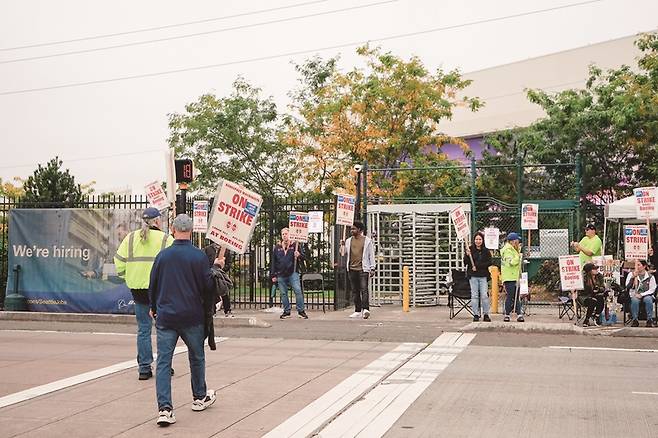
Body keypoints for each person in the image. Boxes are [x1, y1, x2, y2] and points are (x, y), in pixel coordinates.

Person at [148, 214, 217, 427]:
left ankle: (165, 409)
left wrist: (153, 307)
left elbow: (153, 285)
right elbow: (207, 288)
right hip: (192, 315)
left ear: (173, 230)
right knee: (196, 357)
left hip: (167, 316)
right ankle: (199, 396)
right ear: (191, 231)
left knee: (163, 363)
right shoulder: (199, 257)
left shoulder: (163, 256)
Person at [114, 207, 173, 380]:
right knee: (164, 328)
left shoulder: (130, 238)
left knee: (143, 329)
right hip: (160, 290)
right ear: (157, 221)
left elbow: (118, 262)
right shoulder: (165, 239)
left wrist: (128, 276)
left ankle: (144, 368)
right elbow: (172, 263)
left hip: (138, 290)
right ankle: (164, 366)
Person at [270, 228, 308, 320]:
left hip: (293, 272)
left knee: (298, 290)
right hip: (281, 273)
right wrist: (273, 275)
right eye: (283, 234)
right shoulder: (277, 247)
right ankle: (287, 311)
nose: (284, 235)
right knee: (283, 293)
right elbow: (273, 262)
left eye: (286, 234)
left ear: (290, 235)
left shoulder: (295, 245)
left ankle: (301, 311)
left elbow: (304, 257)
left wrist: (299, 255)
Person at [345, 221, 376, 320]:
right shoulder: (348, 241)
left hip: (363, 268)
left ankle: (366, 309)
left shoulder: (367, 241)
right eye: (351, 229)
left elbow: (371, 255)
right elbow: (343, 253)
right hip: (351, 268)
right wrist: (342, 245)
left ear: (359, 230)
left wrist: (372, 267)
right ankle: (357, 310)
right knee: (355, 290)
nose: (352, 230)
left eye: (354, 229)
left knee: (364, 289)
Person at [464, 232, 492, 322]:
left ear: (482, 240)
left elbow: (489, 262)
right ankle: (475, 314)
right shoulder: (470, 249)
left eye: (480, 239)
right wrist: (467, 255)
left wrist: (478, 266)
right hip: (473, 276)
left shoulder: (486, 251)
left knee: (484, 295)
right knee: (474, 295)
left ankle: (486, 314)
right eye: (476, 239)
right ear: (474, 240)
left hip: (483, 276)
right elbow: (465, 262)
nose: (478, 241)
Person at [203, 241, 234, 317]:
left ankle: (227, 310)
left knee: (224, 291)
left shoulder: (225, 250)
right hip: (211, 273)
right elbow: (204, 261)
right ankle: (212, 311)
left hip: (221, 274)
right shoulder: (207, 249)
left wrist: (222, 269)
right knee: (212, 292)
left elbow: (229, 263)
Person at [625, 259, 657, 327]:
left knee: (648, 300)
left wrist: (642, 294)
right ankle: (635, 320)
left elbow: (652, 289)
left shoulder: (650, 276)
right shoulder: (631, 274)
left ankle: (649, 320)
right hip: (635, 294)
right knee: (634, 300)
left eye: (639, 265)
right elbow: (627, 286)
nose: (637, 267)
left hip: (647, 294)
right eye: (636, 265)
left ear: (644, 266)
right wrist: (632, 278)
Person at [501, 232, 523, 322]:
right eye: (517, 240)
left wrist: (519, 252)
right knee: (510, 296)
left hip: (515, 276)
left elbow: (516, 255)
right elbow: (511, 262)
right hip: (509, 277)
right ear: (512, 241)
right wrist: (519, 257)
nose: (518, 242)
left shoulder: (513, 249)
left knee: (517, 296)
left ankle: (519, 314)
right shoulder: (507, 250)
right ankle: (507, 315)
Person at [580, 263, 605, 327]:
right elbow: (582, 291)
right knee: (593, 301)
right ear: (589, 271)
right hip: (585, 296)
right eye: (594, 269)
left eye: (596, 268)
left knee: (600, 298)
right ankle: (586, 319)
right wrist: (591, 290)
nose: (596, 270)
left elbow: (603, 287)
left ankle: (596, 316)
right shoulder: (584, 278)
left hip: (596, 294)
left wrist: (598, 289)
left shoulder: (599, 276)